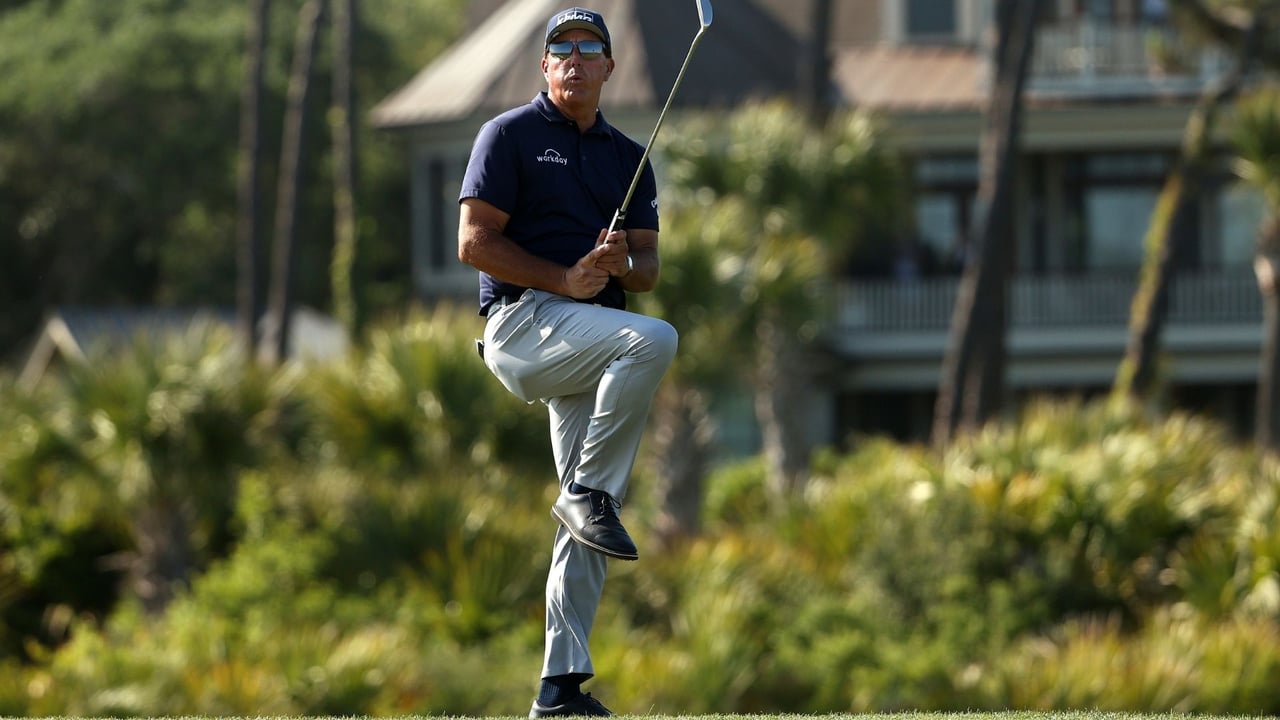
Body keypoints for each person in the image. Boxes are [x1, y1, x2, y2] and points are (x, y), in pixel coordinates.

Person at [456, 7, 678, 718]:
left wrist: (620, 263)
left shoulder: (628, 156)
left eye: (590, 49)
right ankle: (589, 494)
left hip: (587, 340)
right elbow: (473, 243)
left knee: (587, 519)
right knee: (655, 340)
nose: (575, 60)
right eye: (562, 50)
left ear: (611, 67)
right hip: (523, 327)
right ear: (545, 67)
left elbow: (646, 269)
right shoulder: (509, 136)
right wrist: (566, 278)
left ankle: (560, 688)